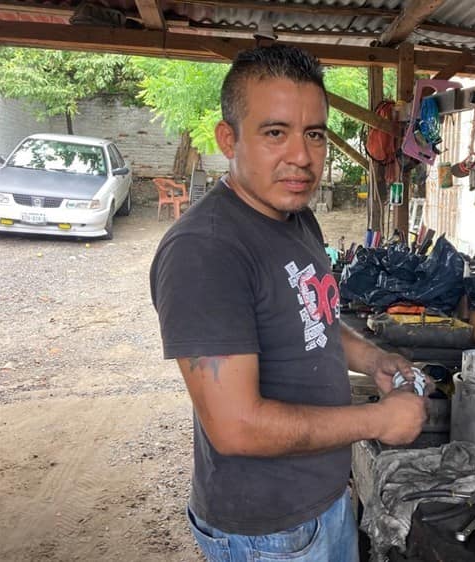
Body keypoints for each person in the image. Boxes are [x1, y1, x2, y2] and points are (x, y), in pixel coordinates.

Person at [149, 44, 428, 562]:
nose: (301, 156)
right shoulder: (205, 251)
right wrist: (379, 421)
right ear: (228, 139)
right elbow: (236, 426)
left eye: (315, 134)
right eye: (275, 132)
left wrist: (373, 358)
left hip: (321, 498)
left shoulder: (294, 216)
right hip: (268, 532)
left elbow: (312, 315)